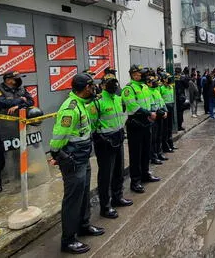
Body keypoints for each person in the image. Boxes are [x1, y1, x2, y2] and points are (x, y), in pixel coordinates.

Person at [49, 73, 104, 254]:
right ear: (85, 88)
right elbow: (58, 136)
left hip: (83, 157)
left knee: (83, 195)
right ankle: (68, 239)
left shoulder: (82, 104)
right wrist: (57, 154)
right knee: (73, 199)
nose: (94, 88)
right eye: (91, 86)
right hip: (73, 160)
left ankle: (83, 225)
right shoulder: (70, 108)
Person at [92, 74, 132, 220]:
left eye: (114, 83)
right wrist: (100, 138)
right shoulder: (97, 102)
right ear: (102, 85)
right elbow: (92, 125)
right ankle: (105, 206)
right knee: (105, 176)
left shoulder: (118, 99)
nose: (113, 86)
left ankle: (118, 197)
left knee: (118, 171)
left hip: (118, 138)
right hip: (105, 143)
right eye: (109, 83)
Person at [0, 71, 34, 193]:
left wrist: (19, 106)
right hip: (0, 128)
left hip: (16, 126)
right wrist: (20, 100)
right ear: (8, 79)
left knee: (19, 152)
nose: (18, 81)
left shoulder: (20, 89)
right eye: (15, 79)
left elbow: (30, 102)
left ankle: (22, 175)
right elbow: (1, 103)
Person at [122, 66, 160, 194]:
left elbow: (150, 101)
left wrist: (153, 111)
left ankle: (145, 174)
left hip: (146, 122)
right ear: (133, 75)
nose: (143, 76)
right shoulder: (129, 88)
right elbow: (132, 106)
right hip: (136, 123)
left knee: (146, 151)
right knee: (136, 154)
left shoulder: (144, 87)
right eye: (140, 74)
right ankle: (135, 181)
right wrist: (148, 113)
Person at [147, 73, 168, 165]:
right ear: (148, 83)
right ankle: (153, 156)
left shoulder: (156, 91)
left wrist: (165, 111)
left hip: (160, 115)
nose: (155, 83)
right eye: (153, 82)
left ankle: (159, 153)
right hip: (153, 116)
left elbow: (162, 102)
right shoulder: (147, 92)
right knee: (153, 138)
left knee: (159, 135)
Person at [160, 72, 177, 153]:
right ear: (163, 79)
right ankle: (165, 146)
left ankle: (171, 144)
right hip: (165, 109)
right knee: (165, 128)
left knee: (170, 127)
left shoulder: (170, 87)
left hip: (171, 108)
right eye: (168, 78)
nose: (169, 79)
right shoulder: (161, 88)